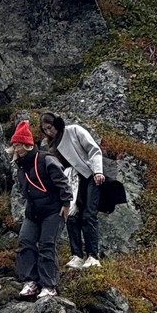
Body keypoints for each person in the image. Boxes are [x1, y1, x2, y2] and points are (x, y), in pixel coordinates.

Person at [10, 120, 72, 302]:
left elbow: (62, 182)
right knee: (26, 242)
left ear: (27, 145)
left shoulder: (46, 159)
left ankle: (49, 285)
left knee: (46, 245)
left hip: (53, 211)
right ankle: (30, 282)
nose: (15, 148)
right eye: (13, 145)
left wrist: (66, 203)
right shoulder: (21, 167)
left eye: (18, 145)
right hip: (33, 212)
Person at [39, 112, 105, 271]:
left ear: (56, 123)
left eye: (50, 127)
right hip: (70, 181)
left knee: (89, 214)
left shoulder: (74, 131)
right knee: (72, 215)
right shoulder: (50, 145)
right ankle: (76, 255)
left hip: (89, 175)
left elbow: (93, 149)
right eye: (45, 130)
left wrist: (98, 171)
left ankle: (93, 256)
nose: (49, 132)